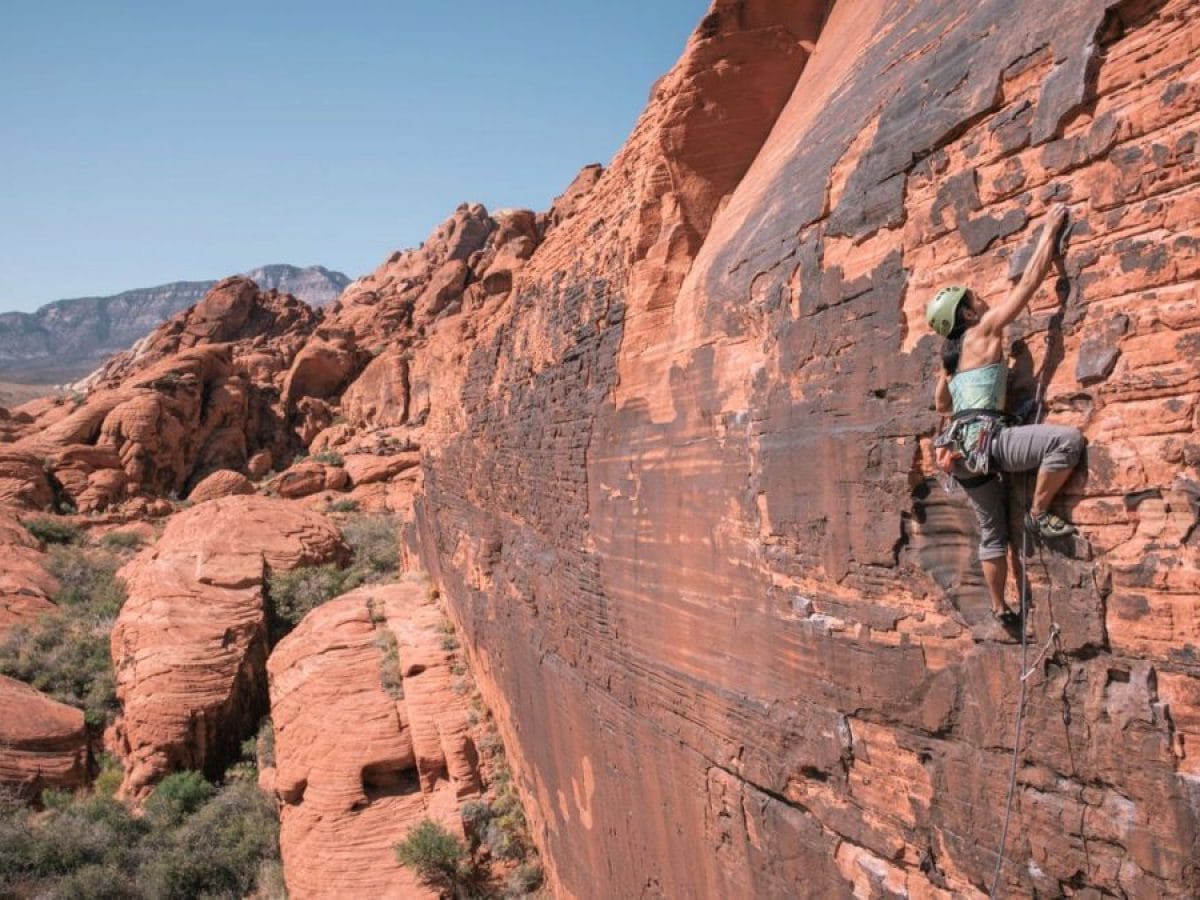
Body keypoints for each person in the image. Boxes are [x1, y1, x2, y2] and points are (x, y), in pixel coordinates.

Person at [927, 202, 1084, 624]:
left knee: (993, 532)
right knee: (1064, 441)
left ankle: (999, 609)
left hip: (960, 457)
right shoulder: (985, 329)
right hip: (990, 444)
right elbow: (1029, 286)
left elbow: (943, 404)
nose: (980, 298)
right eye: (972, 298)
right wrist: (1049, 233)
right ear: (966, 312)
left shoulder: (950, 361)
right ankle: (1039, 513)